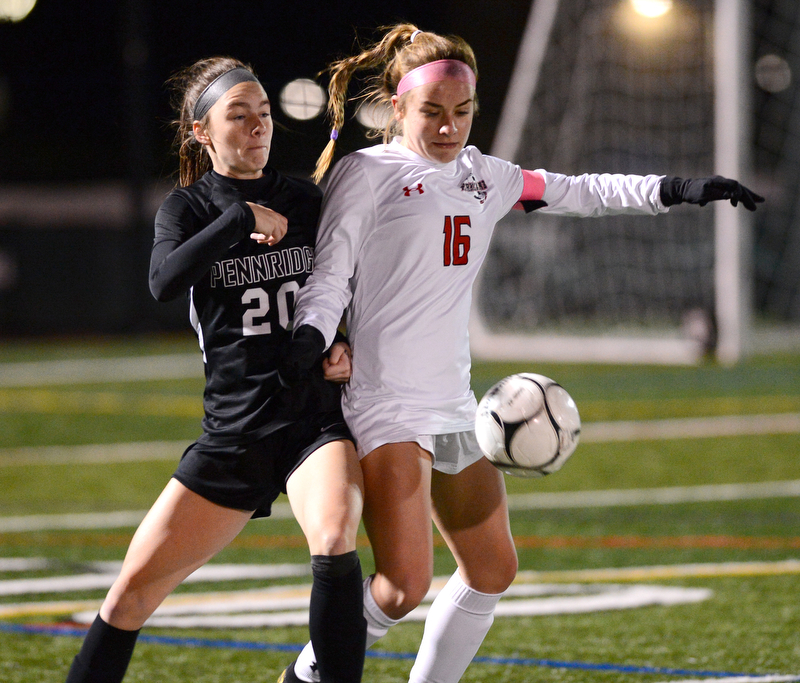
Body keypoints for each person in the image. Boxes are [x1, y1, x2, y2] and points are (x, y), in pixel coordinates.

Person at [277, 23, 764, 683]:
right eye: (432, 112)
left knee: (493, 568)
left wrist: (680, 189)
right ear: (397, 107)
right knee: (402, 585)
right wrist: (311, 335)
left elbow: (582, 191)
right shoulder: (368, 174)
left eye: (462, 111)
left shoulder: (488, 177)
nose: (449, 126)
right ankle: (310, 672)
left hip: (453, 402)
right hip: (386, 405)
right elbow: (331, 273)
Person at [64, 56, 366, 683]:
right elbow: (163, 282)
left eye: (263, 114)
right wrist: (237, 219)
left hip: (312, 420)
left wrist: (345, 343)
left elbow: (351, 287)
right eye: (238, 115)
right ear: (202, 132)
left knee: (335, 540)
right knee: (128, 599)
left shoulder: (307, 200)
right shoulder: (189, 209)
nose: (258, 126)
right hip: (235, 431)